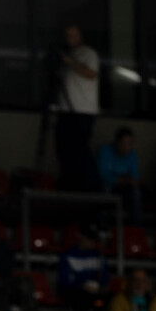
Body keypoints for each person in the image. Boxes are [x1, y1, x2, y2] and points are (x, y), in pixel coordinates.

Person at [55, 24, 99, 191]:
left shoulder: (88, 53)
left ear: (80, 36)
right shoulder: (66, 55)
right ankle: (68, 185)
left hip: (82, 111)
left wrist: (69, 61)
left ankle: (88, 188)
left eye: (73, 35)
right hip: (65, 110)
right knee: (64, 150)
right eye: (67, 35)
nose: (70, 38)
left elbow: (91, 73)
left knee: (80, 150)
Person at [96, 127, 141, 220]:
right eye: (125, 144)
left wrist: (122, 180)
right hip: (106, 186)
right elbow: (102, 175)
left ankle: (137, 225)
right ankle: (101, 222)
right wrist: (122, 179)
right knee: (102, 188)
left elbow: (134, 178)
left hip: (124, 188)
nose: (127, 147)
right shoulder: (105, 151)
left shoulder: (132, 154)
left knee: (136, 192)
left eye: (130, 144)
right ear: (117, 143)